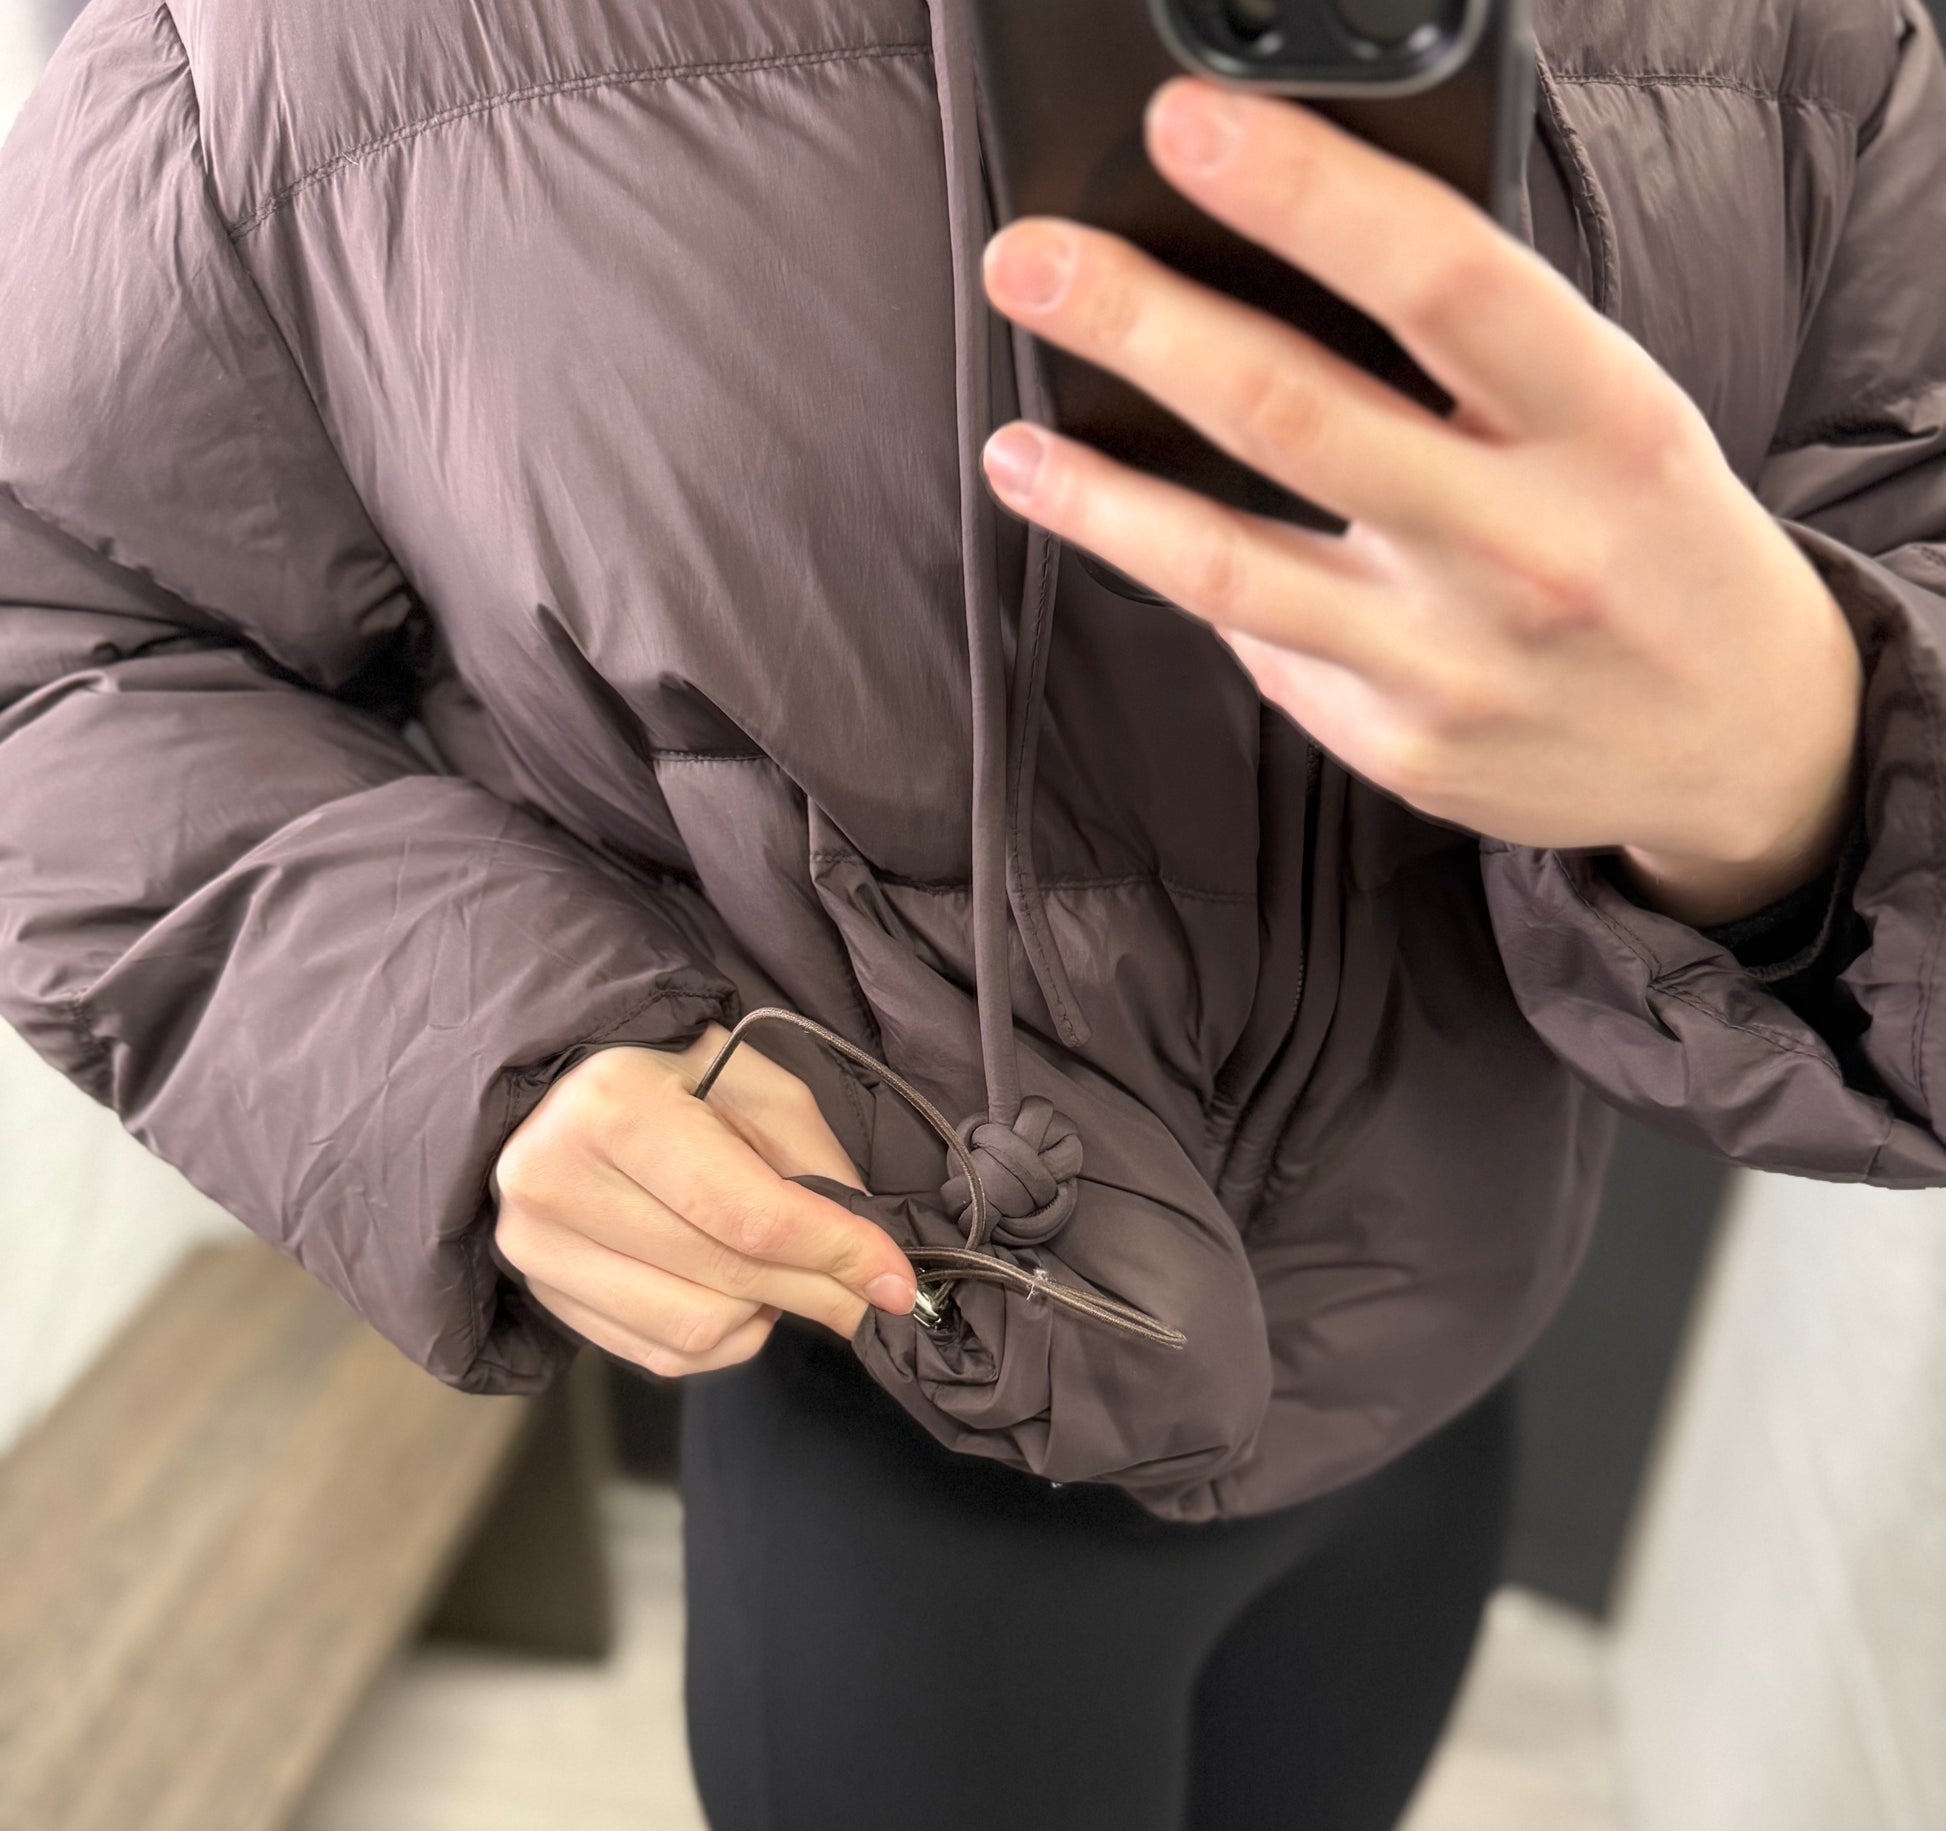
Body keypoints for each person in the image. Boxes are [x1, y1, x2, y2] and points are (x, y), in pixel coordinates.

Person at [2, 0, 1943, 1826]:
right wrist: (470, 1044)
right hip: (899, 1430)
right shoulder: (274, 50)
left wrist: (1797, 752)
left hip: (1447, 1379)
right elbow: (60, 630)